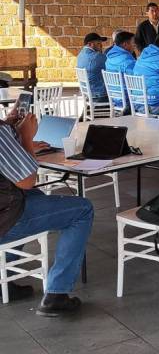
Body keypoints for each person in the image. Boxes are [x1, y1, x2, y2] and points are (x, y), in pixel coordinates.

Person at [0, 108, 93, 316]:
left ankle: (3, 280)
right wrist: (25, 138)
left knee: (37, 196)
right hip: (5, 216)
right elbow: (27, 180)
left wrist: (12, 131)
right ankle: (56, 295)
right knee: (82, 210)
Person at [76, 32, 108, 102]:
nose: (101, 46)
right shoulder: (97, 56)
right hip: (99, 95)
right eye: (98, 43)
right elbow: (110, 68)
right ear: (90, 44)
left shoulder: (80, 55)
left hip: (87, 94)